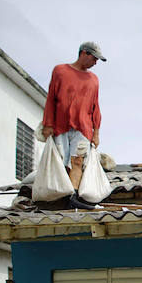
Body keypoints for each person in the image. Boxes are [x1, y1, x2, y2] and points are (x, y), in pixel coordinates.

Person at [42, 42, 106, 210]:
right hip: (60, 125)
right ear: (84, 53)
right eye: (94, 58)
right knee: (61, 162)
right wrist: (47, 124)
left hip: (83, 128)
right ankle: (61, 195)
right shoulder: (60, 71)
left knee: (77, 161)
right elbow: (51, 99)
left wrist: (96, 132)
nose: (95, 63)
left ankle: (73, 195)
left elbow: (95, 107)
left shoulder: (94, 80)